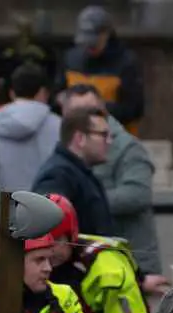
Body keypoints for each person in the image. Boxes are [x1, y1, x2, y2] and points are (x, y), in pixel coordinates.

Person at [60, 84, 163, 284]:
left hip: (135, 263)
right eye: (76, 114)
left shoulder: (128, 148)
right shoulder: (67, 153)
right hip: (99, 264)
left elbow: (137, 195)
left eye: (90, 111)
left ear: (102, 111)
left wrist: (86, 201)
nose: (83, 118)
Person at [45, 193, 148, 313]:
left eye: (56, 240)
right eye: (42, 240)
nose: (50, 250)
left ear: (71, 235)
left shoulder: (107, 267)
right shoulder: (32, 262)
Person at [0, 62, 61, 192]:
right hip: (52, 207)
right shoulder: (60, 126)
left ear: (12, 93)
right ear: (44, 93)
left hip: (6, 208)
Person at [51, 6, 145, 135]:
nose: (89, 48)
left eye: (94, 43)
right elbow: (55, 97)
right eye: (86, 43)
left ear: (106, 34)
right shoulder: (70, 59)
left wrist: (98, 107)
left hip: (115, 140)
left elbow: (134, 110)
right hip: (77, 140)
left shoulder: (126, 63)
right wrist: (61, 100)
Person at [32, 105, 115, 237]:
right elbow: (51, 231)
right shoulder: (58, 175)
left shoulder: (81, 173)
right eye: (104, 135)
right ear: (80, 138)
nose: (110, 141)